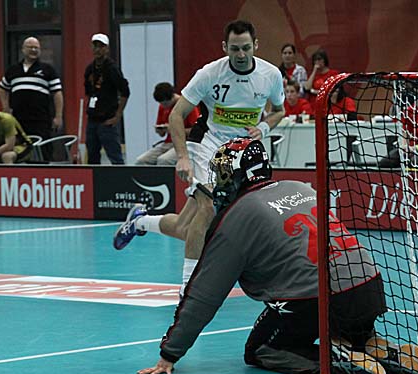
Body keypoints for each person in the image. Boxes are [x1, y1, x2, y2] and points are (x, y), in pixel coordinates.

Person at [136, 137, 418, 374]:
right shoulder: (298, 186)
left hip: (316, 300)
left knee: (260, 350)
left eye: (224, 174)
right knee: (336, 309)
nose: (220, 181)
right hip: (368, 288)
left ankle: (334, 357)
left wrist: (170, 352)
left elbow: (205, 294)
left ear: (239, 175)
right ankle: (365, 341)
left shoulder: (237, 216)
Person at [113, 20, 285, 295]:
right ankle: (188, 289)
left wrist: (263, 127)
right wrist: (182, 157)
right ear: (224, 47)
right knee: (207, 207)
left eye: (246, 48)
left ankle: (139, 221)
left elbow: (279, 110)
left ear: (256, 45)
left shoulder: (270, 75)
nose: (241, 55)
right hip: (206, 145)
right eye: (234, 49)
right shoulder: (209, 74)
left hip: (240, 153)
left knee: (186, 228)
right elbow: (176, 115)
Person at [0, 37, 63, 161]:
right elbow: (2, 88)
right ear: (23, 49)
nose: (33, 50)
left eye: (36, 48)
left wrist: (58, 116)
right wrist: (6, 108)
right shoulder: (13, 70)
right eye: (30, 47)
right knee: (19, 150)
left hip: (41, 119)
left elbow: (57, 93)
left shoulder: (48, 70)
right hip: (18, 120)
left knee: (43, 151)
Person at [84, 33, 130, 165]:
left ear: (107, 49)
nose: (97, 49)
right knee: (92, 157)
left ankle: (121, 178)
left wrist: (117, 115)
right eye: (95, 46)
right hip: (92, 120)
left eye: (101, 46)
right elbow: (88, 92)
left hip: (107, 120)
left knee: (115, 157)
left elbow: (125, 92)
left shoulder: (112, 68)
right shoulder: (90, 69)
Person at [136, 82, 200, 166]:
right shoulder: (162, 107)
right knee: (141, 161)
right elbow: (162, 134)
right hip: (168, 143)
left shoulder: (188, 106)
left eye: (165, 103)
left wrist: (175, 130)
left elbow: (196, 132)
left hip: (185, 143)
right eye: (161, 103)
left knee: (164, 160)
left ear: (173, 96)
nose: (164, 106)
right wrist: (161, 130)